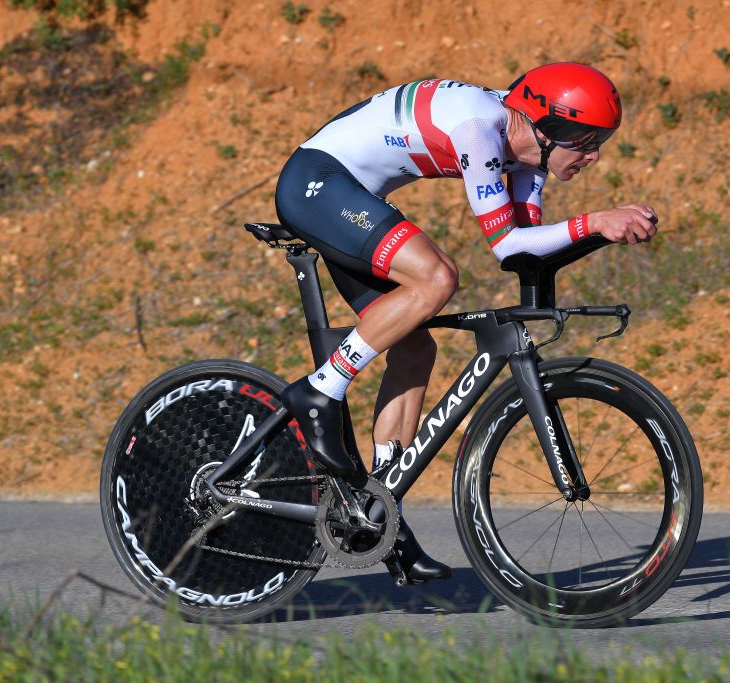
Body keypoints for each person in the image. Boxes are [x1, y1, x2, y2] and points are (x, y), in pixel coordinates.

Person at [274, 62, 658, 582]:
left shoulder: (527, 154)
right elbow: (505, 244)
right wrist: (597, 221)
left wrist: (592, 236)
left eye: (601, 141)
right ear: (545, 129)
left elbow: (527, 246)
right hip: (319, 182)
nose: (594, 156)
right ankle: (321, 390)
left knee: (414, 350)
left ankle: (379, 509)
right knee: (435, 278)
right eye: (587, 142)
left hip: (351, 195)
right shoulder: (479, 130)